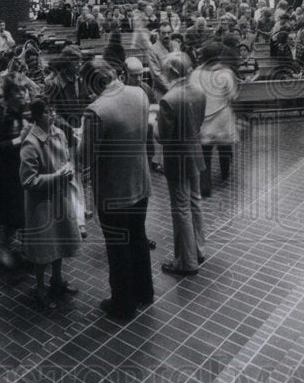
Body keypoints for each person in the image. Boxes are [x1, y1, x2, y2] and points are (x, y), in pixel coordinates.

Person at [82, 60, 154, 322]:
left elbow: (85, 156)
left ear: (94, 83)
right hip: (140, 181)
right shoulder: (140, 93)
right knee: (138, 236)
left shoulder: (96, 110)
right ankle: (145, 291)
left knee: (117, 247)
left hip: (114, 190)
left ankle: (123, 304)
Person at [19, 99, 83, 309]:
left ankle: (57, 280)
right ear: (37, 116)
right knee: (43, 248)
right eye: (47, 112)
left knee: (59, 241)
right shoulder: (31, 142)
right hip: (41, 203)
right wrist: (56, 176)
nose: (52, 115)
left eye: (53, 111)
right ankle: (39, 288)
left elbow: (66, 158)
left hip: (59, 198)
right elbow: (27, 181)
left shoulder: (59, 133)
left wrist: (69, 169)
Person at [157, 52, 207, 277]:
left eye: (165, 70)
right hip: (195, 151)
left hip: (177, 157)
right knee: (195, 201)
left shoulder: (169, 99)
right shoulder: (199, 91)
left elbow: (163, 137)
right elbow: (198, 121)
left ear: (172, 72)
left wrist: (152, 125)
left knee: (181, 208)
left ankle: (186, 262)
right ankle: (199, 250)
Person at [0, 74, 31, 265]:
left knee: (26, 210)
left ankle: (25, 246)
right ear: (8, 92)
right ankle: (3, 247)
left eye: (23, 90)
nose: (21, 95)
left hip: (24, 166)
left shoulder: (24, 109)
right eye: (16, 90)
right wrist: (18, 140)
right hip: (5, 171)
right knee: (12, 212)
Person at [189, 42, 238, 197]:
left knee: (205, 154)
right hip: (222, 116)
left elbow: (192, 96)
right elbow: (232, 96)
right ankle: (225, 174)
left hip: (203, 117)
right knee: (225, 148)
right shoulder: (226, 73)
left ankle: (205, 187)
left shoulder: (195, 73)